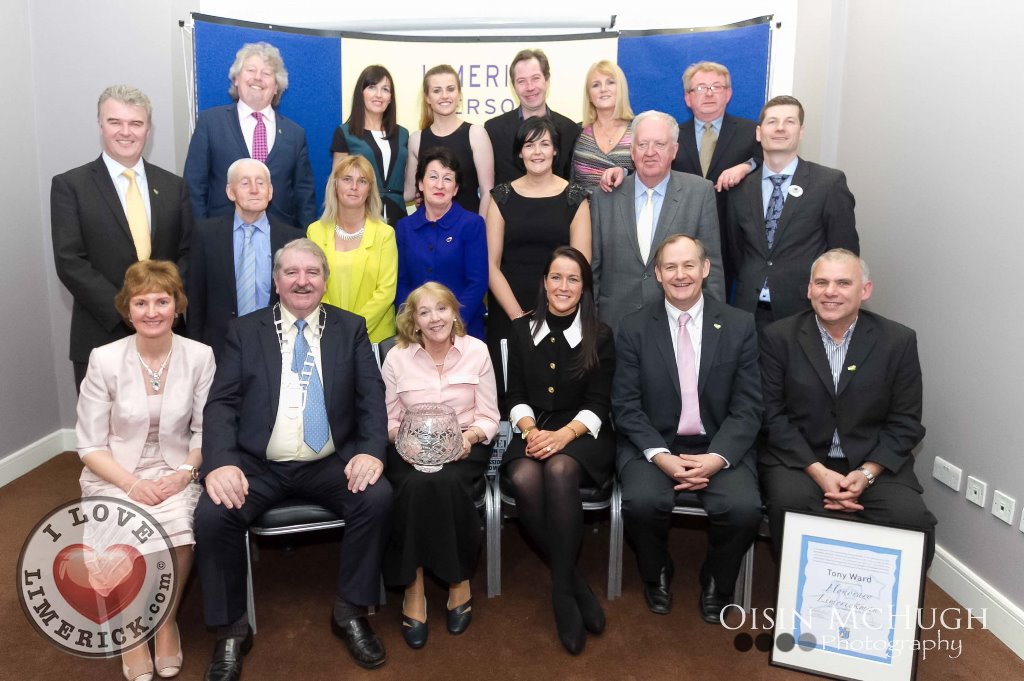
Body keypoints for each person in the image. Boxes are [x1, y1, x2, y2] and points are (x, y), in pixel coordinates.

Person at [195, 239, 392, 678]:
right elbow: (221, 403)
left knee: (376, 498)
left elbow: (371, 400)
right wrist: (221, 461)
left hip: (329, 460)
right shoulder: (244, 331)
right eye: (291, 272)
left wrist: (371, 453)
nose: (302, 281)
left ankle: (350, 611)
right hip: (258, 464)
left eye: (312, 272)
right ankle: (230, 630)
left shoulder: (351, 328)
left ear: (324, 280)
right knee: (212, 515)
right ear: (275, 280)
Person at [76, 260, 215, 681]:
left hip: (177, 468)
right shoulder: (104, 359)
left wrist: (185, 474)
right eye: (141, 302)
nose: (152, 311)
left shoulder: (200, 356)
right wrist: (132, 484)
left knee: (180, 528)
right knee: (124, 531)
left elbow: (206, 431)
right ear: (127, 309)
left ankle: (166, 619)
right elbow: (89, 445)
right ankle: (134, 631)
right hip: (115, 470)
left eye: (162, 300)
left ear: (177, 306)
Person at [612, 234, 762, 625]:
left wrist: (715, 459)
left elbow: (748, 407)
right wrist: (661, 457)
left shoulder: (739, 325)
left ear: (705, 269)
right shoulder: (633, 328)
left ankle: (718, 580)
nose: (681, 275)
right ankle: (656, 571)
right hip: (654, 443)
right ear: (658, 274)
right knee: (642, 503)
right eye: (671, 267)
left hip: (718, 443)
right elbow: (625, 406)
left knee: (744, 509)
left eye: (689, 265)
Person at [759, 249, 936, 567]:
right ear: (809, 289)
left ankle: (888, 612)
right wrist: (819, 471)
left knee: (911, 520)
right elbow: (771, 416)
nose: (830, 292)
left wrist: (866, 474)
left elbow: (906, 422)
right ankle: (810, 606)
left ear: (864, 290)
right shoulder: (778, 337)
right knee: (792, 508)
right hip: (800, 460)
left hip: (874, 463)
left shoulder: (898, 341)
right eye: (821, 282)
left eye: (843, 283)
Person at [502, 247, 615, 655]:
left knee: (560, 471)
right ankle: (572, 583)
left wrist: (564, 435)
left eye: (573, 279)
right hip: (534, 427)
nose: (563, 286)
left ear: (583, 287)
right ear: (544, 283)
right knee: (523, 475)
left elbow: (601, 402)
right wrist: (530, 431)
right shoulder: (520, 330)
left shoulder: (599, 333)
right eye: (556, 277)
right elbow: (513, 394)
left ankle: (560, 595)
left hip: (584, 432)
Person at [381, 282, 499, 649]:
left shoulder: (476, 352)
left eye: (442, 309)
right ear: (414, 321)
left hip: (464, 442)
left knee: (446, 483)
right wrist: (407, 441)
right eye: (425, 312)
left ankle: (456, 579)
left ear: (454, 313)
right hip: (408, 446)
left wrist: (470, 439)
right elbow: (386, 420)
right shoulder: (396, 358)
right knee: (415, 484)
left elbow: (491, 416)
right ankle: (414, 587)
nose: (435, 318)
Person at [51, 85, 192, 390]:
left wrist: (160, 307)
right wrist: (128, 309)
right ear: (101, 124)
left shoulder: (174, 187)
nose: (125, 132)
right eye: (115, 122)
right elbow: (69, 261)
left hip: (167, 334)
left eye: (136, 123)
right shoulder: (70, 186)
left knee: (168, 430)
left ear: (148, 129)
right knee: (103, 433)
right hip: (102, 331)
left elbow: (188, 252)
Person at [726, 95, 858, 328]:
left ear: (801, 131)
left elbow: (844, 254)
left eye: (789, 122)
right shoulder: (740, 189)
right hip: (748, 315)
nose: (780, 128)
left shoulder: (828, 184)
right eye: (772, 121)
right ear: (759, 133)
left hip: (805, 314)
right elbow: (736, 253)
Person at [590, 110, 722, 332]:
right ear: (632, 151)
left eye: (660, 144)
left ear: (674, 150)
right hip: (614, 326)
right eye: (642, 145)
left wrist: (713, 327)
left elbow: (712, 266)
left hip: (679, 326)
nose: (649, 152)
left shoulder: (699, 192)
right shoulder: (605, 196)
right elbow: (594, 267)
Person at [486, 117, 590, 378]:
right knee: (510, 393)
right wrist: (519, 318)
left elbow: (581, 265)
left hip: (561, 310)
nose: (537, 152)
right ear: (520, 152)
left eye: (545, 144)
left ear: (556, 150)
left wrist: (554, 313)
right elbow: (490, 264)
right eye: (530, 145)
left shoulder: (575, 197)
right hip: (509, 313)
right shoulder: (501, 196)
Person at [183, 42, 317, 229]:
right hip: (221, 238)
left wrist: (304, 242)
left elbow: (304, 196)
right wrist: (200, 235)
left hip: (280, 240)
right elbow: (194, 185)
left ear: (277, 86)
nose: (257, 78)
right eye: (251, 70)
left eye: (267, 73)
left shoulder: (295, 134)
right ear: (236, 78)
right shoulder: (210, 122)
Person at [187, 158, 302, 359]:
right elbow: (196, 298)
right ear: (230, 192)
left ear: (271, 191)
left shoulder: (292, 238)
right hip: (219, 349)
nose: (254, 189)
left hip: (277, 348)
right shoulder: (205, 234)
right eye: (245, 183)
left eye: (260, 183)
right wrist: (195, 350)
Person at [395, 148, 488, 340]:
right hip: (417, 333)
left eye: (447, 179)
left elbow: (477, 282)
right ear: (420, 184)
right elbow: (402, 283)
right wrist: (415, 322)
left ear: (455, 188)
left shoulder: (472, 224)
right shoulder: (404, 227)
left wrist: (452, 323)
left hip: (464, 329)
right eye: (433, 177)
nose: (440, 185)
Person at [307, 155, 397, 343]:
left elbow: (386, 292)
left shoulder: (385, 234)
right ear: (335, 185)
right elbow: (312, 286)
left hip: (375, 338)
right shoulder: (315, 232)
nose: (354, 187)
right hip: (326, 335)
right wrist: (335, 327)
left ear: (370, 189)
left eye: (362, 181)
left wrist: (354, 329)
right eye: (347, 179)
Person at [404, 64, 495, 216]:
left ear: (459, 94)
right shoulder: (416, 139)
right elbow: (408, 193)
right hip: (427, 232)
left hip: (466, 232)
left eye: (450, 89)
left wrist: (479, 230)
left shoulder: (476, 134)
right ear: (427, 97)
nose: (444, 96)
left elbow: (487, 192)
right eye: (437, 90)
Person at [485, 49, 580, 185]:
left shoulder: (570, 130)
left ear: (547, 81)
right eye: (521, 81)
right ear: (514, 87)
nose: (530, 87)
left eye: (535, 78)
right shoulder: (493, 131)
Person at [331, 65, 408, 227]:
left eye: (385, 89)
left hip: (399, 215)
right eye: (372, 87)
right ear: (361, 93)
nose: (379, 95)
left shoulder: (403, 134)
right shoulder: (345, 133)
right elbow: (337, 183)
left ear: (391, 97)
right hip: (361, 217)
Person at [572, 60, 635, 192]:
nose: (603, 89)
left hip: (626, 211)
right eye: (596, 85)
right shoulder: (575, 132)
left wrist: (624, 173)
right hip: (584, 212)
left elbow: (651, 176)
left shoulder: (639, 130)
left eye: (610, 82)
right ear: (589, 95)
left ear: (621, 89)